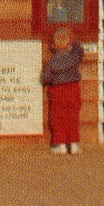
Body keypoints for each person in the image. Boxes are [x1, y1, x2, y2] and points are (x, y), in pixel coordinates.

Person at [40, 26, 84, 155]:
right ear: (69, 43)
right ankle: (74, 144)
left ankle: (61, 145)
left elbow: (45, 78)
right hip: (73, 88)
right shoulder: (73, 58)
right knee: (73, 116)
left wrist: (46, 81)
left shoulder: (51, 62)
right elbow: (80, 51)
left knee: (57, 118)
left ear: (53, 45)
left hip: (57, 90)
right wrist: (74, 40)